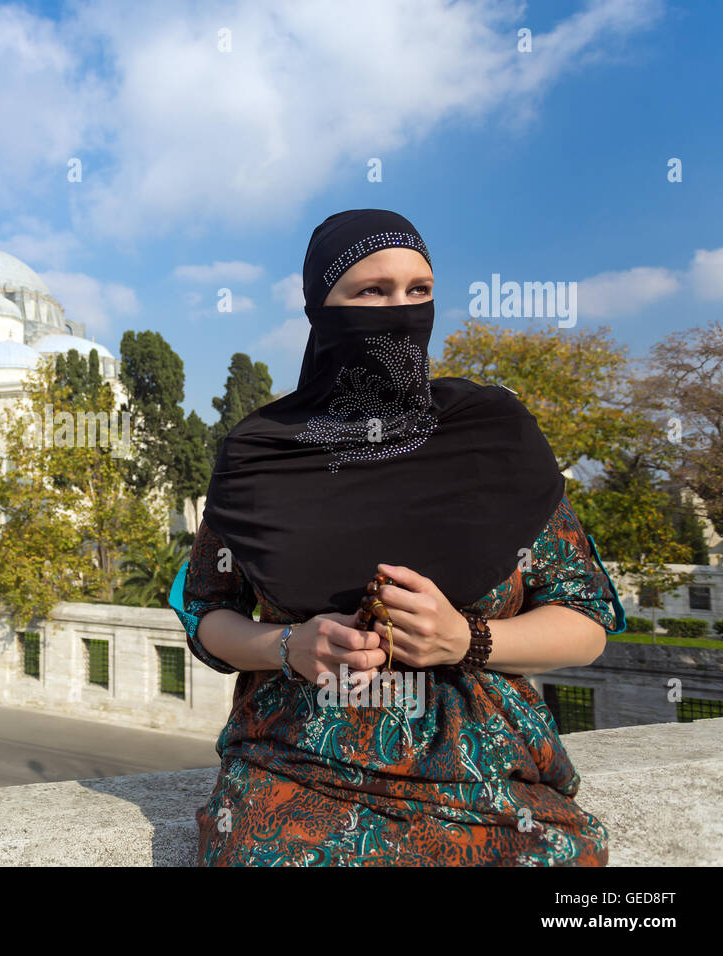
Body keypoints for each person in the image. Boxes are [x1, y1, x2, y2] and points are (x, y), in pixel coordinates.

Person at [172, 209, 622, 867]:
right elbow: (207, 615)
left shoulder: (493, 436)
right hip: (296, 762)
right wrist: (289, 645)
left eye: (419, 290)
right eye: (372, 292)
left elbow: (586, 620)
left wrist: (467, 640)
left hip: (482, 771)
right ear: (321, 309)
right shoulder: (261, 455)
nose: (402, 310)